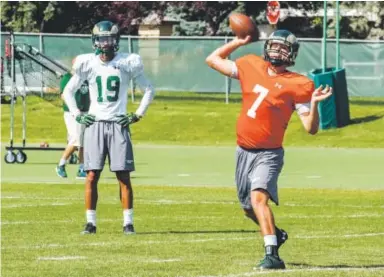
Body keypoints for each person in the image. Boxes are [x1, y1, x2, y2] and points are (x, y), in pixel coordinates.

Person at [205, 29, 332, 270]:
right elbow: (212, 60)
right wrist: (238, 41)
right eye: (274, 45)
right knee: (248, 208)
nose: (277, 50)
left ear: (292, 53)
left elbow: (310, 128)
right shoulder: (250, 64)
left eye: (283, 47)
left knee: (258, 198)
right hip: (243, 151)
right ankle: (277, 234)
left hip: (269, 153)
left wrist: (314, 105)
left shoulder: (300, 84)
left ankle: (272, 255)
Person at [63, 20, 155, 235]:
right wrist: (77, 114)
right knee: (91, 175)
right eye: (102, 39)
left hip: (117, 124)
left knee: (123, 175)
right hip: (95, 124)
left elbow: (149, 89)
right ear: (95, 41)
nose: (105, 43)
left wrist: (137, 115)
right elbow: (68, 91)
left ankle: (128, 223)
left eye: (109, 38)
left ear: (116, 40)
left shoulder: (127, 62)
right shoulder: (87, 63)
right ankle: (90, 223)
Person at [56, 69, 90, 179]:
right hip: (72, 113)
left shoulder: (87, 76)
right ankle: (61, 164)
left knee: (83, 141)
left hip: (85, 111)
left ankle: (82, 168)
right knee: (76, 139)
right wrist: (74, 109)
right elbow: (63, 95)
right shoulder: (67, 77)